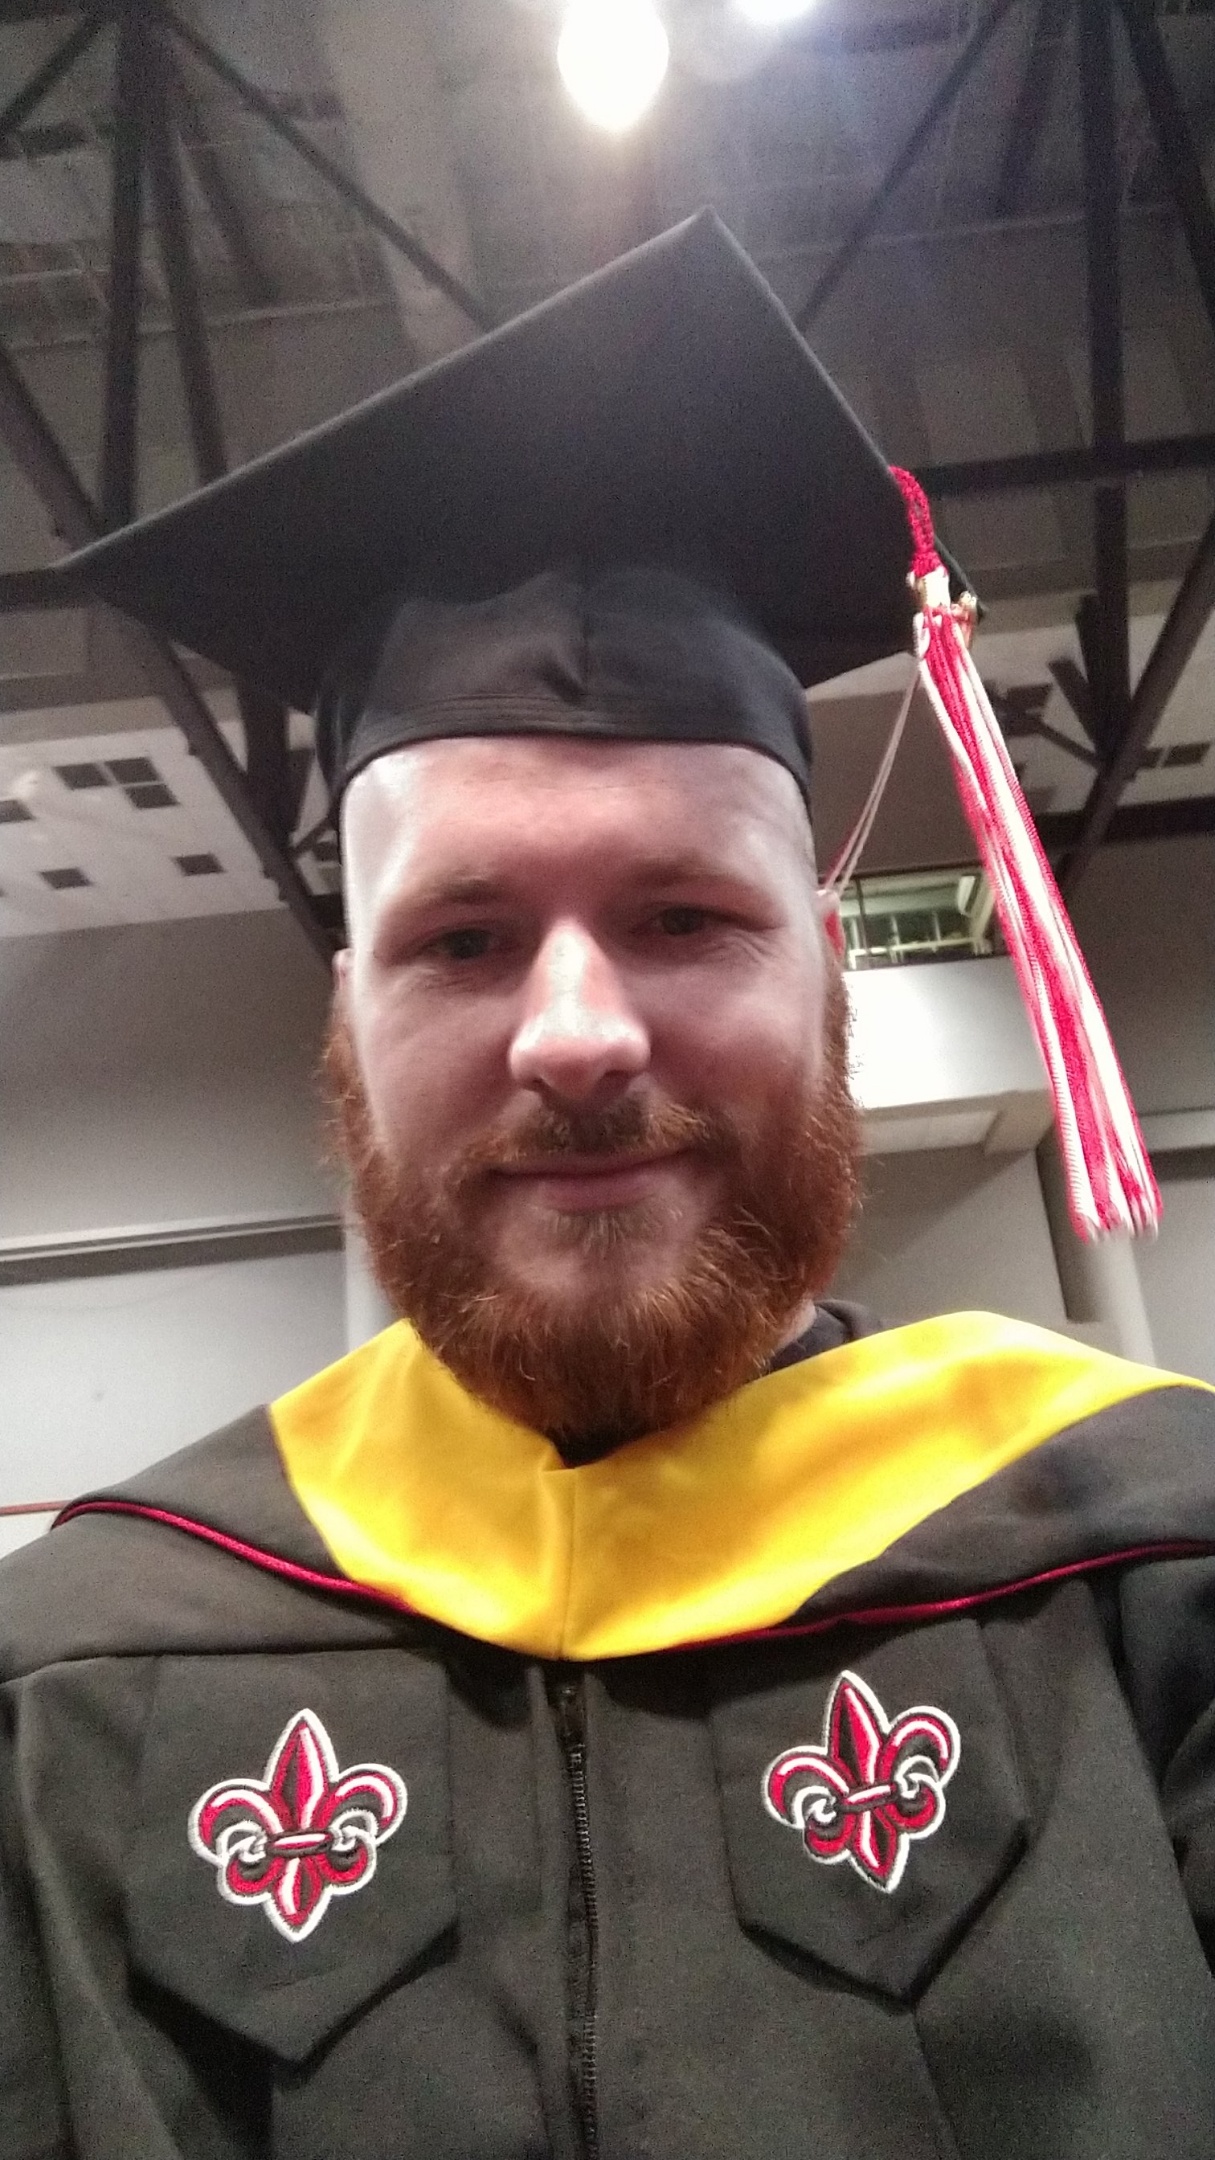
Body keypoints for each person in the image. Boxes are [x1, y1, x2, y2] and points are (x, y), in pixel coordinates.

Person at [3, 212, 1215, 2160]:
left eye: (679, 914)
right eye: (463, 940)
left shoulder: (1159, 1571)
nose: (575, 1032)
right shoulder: (71, 1685)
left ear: (824, 974)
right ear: (347, 1018)